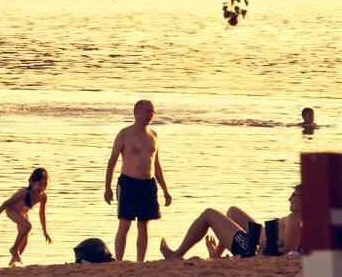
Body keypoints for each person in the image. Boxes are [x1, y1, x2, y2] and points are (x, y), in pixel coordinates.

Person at [104, 100, 172, 262]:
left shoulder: (153, 135)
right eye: (148, 111)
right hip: (128, 184)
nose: (151, 115)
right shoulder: (125, 134)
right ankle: (119, 262)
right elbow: (112, 161)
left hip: (148, 185)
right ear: (137, 113)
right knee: (125, 225)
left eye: (153, 112)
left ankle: (140, 262)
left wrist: (166, 191)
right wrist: (107, 188)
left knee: (144, 227)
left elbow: (156, 165)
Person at [160, 185, 303, 259]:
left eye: (294, 195)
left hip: (250, 247)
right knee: (232, 211)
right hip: (258, 239)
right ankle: (216, 254)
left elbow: (288, 253)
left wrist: (259, 257)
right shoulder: (301, 219)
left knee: (208, 214)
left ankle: (176, 254)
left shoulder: (295, 219)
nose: (289, 199)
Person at [0, 167, 51, 266]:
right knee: (28, 226)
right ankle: (13, 249)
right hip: (12, 211)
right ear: (32, 182)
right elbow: (6, 203)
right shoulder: (23, 193)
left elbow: (42, 214)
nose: (41, 188)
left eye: (44, 185)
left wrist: (45, 232)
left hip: (23, 213)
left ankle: (14, 260)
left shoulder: (43, 196)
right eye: (39, 184)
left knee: (25, 240)